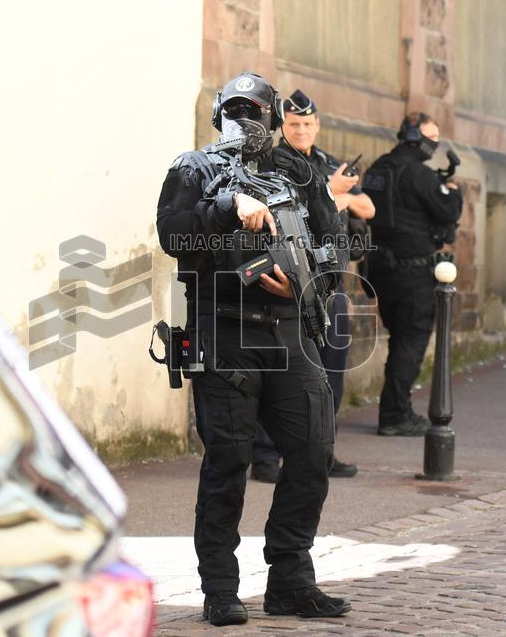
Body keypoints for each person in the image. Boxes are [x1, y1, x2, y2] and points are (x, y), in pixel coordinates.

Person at [156, 72, 351, 625]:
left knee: (314, 451)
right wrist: (227, 203)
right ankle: (220, 588)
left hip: (291, 329)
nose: (245, 119)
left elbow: (334, 241)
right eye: (235, 109)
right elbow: (174, 235)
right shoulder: (192, 169)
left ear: (272, 118)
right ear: (219, 114)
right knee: (230, 461)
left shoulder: (299, 169)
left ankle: (291, 579)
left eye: (255, 110)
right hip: (226, 331)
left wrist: (311, 281)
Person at [250, 89, 374, 482]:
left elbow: (367, 206)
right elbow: (291, 212)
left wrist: (337, 196)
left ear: (317, 125)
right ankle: (267, 456)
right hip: (286, 280)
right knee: (278, 370)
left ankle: (323, 450)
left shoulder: (325, 164)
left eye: (307, 124)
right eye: (294, 124)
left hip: (327, 282)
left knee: (330, 373)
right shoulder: (271, 163)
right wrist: (334, 194)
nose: (301, 130)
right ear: (281, 126)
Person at [362, 112, 463, 436]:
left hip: (380, 269)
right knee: (411, 340)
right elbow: (448, 211)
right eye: (431, 137)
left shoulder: (378, 168)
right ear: (416, 138)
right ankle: (394, 414)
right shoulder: (419, 174)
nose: (434, 144)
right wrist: (452, 190)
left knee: (400, 339)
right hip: (412, 271)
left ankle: (394, 408)